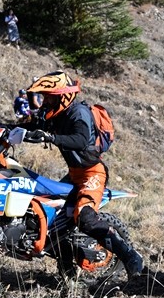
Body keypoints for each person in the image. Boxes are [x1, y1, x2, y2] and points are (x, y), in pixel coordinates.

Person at [20, 71, 145, 279]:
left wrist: (51, 137)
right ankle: (68, 274)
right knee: (52, 222)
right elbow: (33, 127)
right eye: (44, 96)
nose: (46, 100)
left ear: (62, 96)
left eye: (49, 96)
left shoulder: (78, 113)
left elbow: (80, 140)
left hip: (92, 173)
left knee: (85, 219)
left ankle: (130, 256)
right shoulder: (55, 115)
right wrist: (2, 127)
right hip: (74, 174)